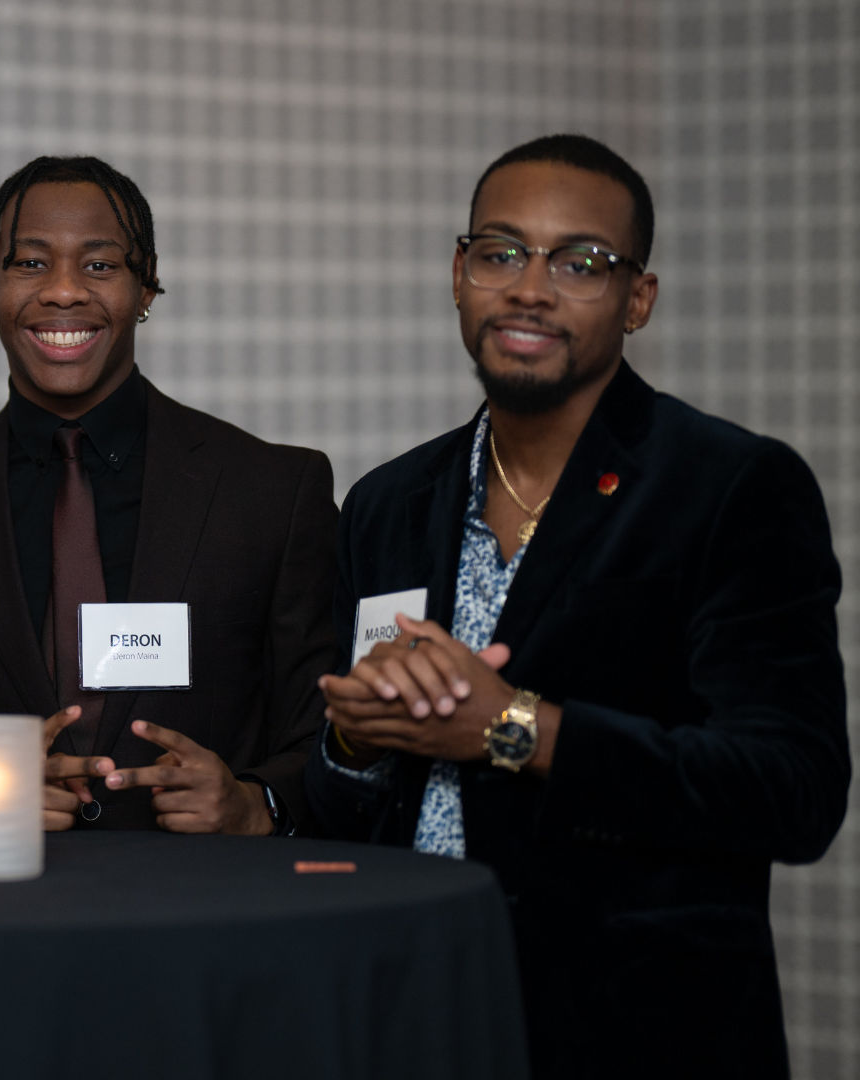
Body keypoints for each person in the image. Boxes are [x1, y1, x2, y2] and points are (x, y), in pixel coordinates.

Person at [307, 134, 848, 1078]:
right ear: (458, 273)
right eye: (501, 252)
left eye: (580, 263)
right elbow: (352, 805)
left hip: (630, 1023)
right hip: (406, 1004)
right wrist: (356, 740)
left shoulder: (730, 486)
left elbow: (790, 791)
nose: (529, 287)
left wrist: (512, 728)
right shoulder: (389, 503)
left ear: (638, 299)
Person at [0, 156, 337, 835]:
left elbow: (331, 730)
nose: (62, 292)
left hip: (213, 911)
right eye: (29, 263)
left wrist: (255, 801)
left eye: (99, 266)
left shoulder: (273, 494)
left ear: (146, 287)